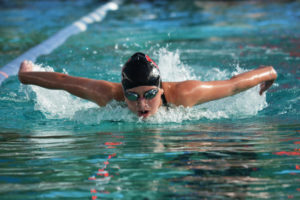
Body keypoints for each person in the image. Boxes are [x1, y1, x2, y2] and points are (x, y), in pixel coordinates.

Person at [18, 52, 277, 118]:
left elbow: (232, 86)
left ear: (161, 89)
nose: (142, 104)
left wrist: (268, 72)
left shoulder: (185, 94)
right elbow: (64, 82)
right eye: (133, 96)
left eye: (150, 94)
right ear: (123, 91)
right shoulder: (109, 94)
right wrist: (26, 75)